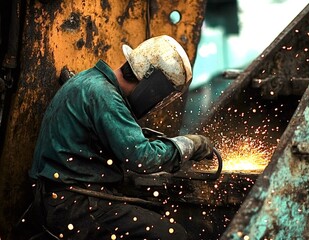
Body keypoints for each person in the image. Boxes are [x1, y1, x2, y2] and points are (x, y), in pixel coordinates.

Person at [29, 35, 214, 240]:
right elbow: (142, 158)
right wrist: (189, 144)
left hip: (64, 198)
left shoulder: (89, 81)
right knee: (173, 236)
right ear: (152, 84)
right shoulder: (105, 96)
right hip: (76, 206)